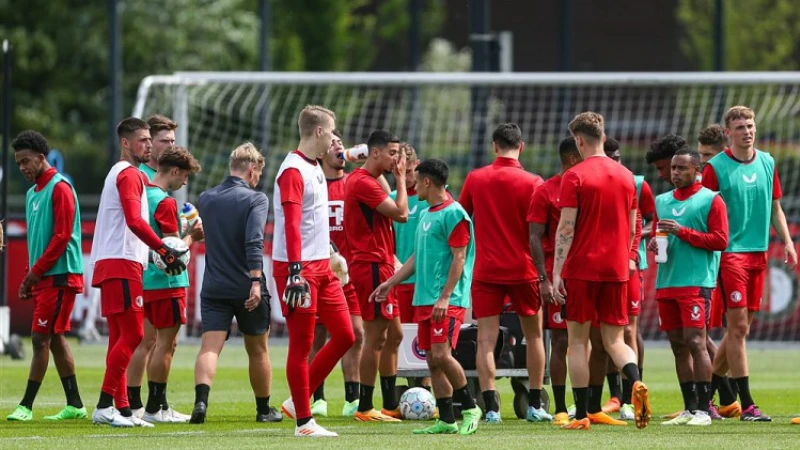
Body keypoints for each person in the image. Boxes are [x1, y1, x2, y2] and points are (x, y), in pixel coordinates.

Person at [552, 112, 650, 431]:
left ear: (579, 141)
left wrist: (556, 273)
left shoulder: (575, 176)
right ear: (604, 138)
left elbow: (566, 227)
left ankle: (581, 415)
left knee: (579, 342)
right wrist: (628, 258)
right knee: (615, 340)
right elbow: (636, 224)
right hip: (618, 269)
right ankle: (635, 382)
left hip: (582, 268)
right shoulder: (627, 176)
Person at [371, 158, 482, 435]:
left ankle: (470, 407)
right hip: (424, 298)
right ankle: (446, 418)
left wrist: (445, 297)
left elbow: (459, 259)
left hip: (446, 300)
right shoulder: (426, 213)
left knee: (442, 355)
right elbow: (414, 258)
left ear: (427, 182)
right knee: (431, 359)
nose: (413, 185)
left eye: (416, 180)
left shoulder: (454, 214)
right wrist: (390, 283)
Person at [90, 117, 188, 428]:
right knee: (133, 335)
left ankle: (123, 409)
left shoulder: (119, 173)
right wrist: (163, 249)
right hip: (121, 260)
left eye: (149, 139)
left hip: (114, 260)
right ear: (125, 143)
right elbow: (134, 220)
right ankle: (105, 404)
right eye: (142, 140)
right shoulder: (130, 174)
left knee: (119, 337)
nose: (148, 145)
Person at [701, 106, 797, 421]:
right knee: (738, 328)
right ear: (728, 133)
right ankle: (748, 405)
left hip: (759, 254)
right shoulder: (715, 167)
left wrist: (787, 241)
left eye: (750, 125)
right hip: (730, 254)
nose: (747, 131)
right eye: (740, 126)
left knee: (739, 332)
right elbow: (704, 211)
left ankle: (704, 398)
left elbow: (776, 208)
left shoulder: (768, 162)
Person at [459, 123, 549, 423]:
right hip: (524, 270)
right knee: (534, 337)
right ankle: (535, 405)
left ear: (494, 146)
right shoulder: (534, 181)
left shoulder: (476, 178)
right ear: (520, 147)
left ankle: (491, 408)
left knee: (485, 340)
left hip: (486, 270)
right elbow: (540, 229)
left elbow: (461, 219)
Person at [275, 106, 356, 437]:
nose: (337, 139)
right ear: (319, 132)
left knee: (346, 335)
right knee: (302, 342)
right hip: (300, 269)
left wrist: (332, 252)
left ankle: (300, 398)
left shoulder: (316, 168)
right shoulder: (293, 170)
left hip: (322, 264)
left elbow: (311, 222)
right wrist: (295, 271)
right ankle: (304, 423)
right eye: (333, 131)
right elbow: (292, 225)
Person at [190, 142, 281, 424]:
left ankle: (201, 404)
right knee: (258, 349)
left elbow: (202, 234)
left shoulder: (206, 198)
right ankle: (264, 410)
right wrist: (256, 280)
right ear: (252, 169)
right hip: (245, 286)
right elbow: (254, 241)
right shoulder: (256, 199)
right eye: (257, 174)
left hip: (214, 285)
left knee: (209, 347)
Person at [7, 131, 86, 422]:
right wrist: (30, 276)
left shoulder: (60, 187)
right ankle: (75, 404)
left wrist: (34, 275)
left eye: (26, 161)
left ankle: (26, 406)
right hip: (44, 277)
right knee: (54, 339)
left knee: (40, 338)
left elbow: (62, 237)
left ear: (42, 158)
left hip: (61, 275)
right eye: (18, 163)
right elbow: (38, 240)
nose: (22, 167)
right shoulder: (32, 193)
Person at [650, 148, 728, 426]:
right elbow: (661, 237)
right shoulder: (662, 201)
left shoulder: (711, 200)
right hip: (667, 282)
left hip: (696, 282)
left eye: (682, 168)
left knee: (697, 342)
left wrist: (682, 232)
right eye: (673, 168)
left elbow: (720, 240)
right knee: (678, 347)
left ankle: (705, 410)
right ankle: (688, 408)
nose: (675, 173)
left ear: (697, 171)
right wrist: (655, 243)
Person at [132, 147, 203, 423]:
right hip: (167, 281)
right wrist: (192, 236)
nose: (184, 182)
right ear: (174, 171)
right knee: (167, 344)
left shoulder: (140, 196)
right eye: (184, 176)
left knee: (145, 343)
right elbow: (173, 253)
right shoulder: (164, 202)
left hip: (145, 279)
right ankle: (155, 407)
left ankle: (139, 403)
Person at [344, 130, 408, 422]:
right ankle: (365, 406)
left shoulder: (367, 179)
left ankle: (391, 403)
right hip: (371, 265)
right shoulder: (362, 183)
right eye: (392, 153)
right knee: (376, 336)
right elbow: (401, 213)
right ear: (375, 153)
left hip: (381, 263)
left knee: (393, 334)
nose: (397, 159)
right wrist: (402, 177)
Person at [307, 130, 364, 418]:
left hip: (348, 274)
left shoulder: (354, 183)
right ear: (321, 152)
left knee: (356, 332)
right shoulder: (313, 183)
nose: (340, 148)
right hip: (319, 272)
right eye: (334, 144)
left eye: (342, 144)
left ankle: (352, 398)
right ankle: (317, 397)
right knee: (316, 335)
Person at [127, 114, 181, 418]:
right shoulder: (146, 180)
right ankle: (141, 406)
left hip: (147, 270)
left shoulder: (153, 180)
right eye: (164, 140)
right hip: (154, 274)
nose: (170, 145)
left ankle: (147, 405)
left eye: (173, 140)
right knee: (151, 341)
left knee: (153, 342)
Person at [527, 136, 583, 426]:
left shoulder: (589, 186)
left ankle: (589, 405)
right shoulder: (546, 190)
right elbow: (535, 236)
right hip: (558, 276)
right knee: (560, 340)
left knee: (593, 340)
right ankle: (561, 406)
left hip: (588, 272)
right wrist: (543, 279)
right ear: (573, 158)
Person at [602, 138, 655, 419]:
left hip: (632, 264)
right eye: (609, 157)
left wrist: (632, 241)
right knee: (606, 332)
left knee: (629, 330)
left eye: (618, 157)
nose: (614, 162)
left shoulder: (637, 183)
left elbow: (652, 220)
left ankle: (632, 391)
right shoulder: (593, 181)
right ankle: (616, 396)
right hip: (602, 265)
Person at [138, 115, 177, 181]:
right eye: (165, 141)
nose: (171, 146)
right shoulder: (138, 176)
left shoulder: (165, 176)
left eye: (172, 141)